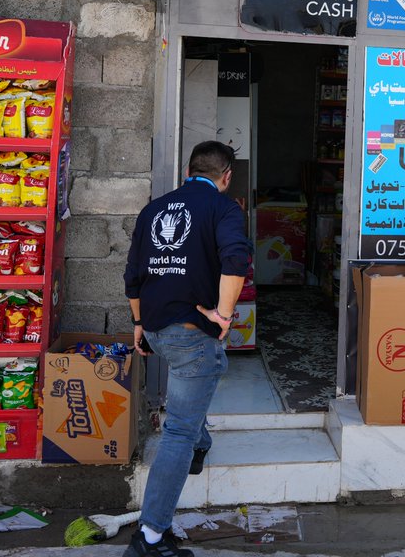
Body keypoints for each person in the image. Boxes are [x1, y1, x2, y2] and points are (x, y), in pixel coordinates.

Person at [124, 141, 251, 557]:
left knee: (186, 403)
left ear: (188, 170)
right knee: (178, 429)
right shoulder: (224, 208)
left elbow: (133, 275)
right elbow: (235, 259)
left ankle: (201, 444)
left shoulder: (154, 209)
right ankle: (151, 536)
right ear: (226, 176)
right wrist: (225, 316)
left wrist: (139, 325)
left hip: (158, 329)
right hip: (192, 335)